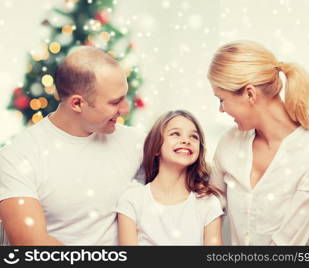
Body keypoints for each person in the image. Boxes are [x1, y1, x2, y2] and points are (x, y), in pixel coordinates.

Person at [0, 46, 144, 245]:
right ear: (77, 103)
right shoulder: (18, 156)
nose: (126, 108)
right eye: (115, 102)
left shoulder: (135, 143)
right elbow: (31, 244)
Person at [207, 40, 309, 245]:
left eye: (221, 99)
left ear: (250, 94)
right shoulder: (230, 142)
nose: (221, 110)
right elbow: (212, 205)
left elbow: (286, 244)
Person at [116, 110, 223, 245]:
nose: (186, 140)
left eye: (194, 137)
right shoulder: (132, 201)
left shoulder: (208, 203)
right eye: (175, 134)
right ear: (155, 148)